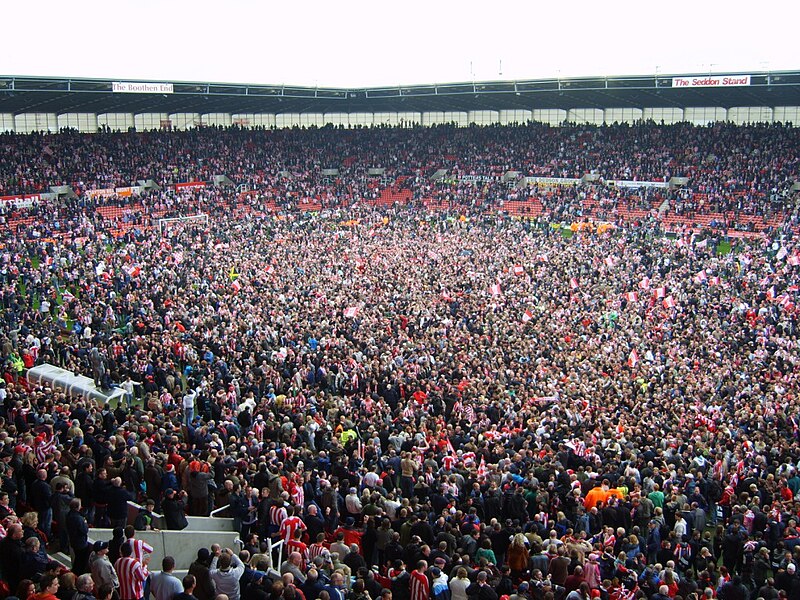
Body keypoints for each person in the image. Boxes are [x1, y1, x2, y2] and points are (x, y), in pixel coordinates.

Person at [66, 498, 91, 575]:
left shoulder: (69, 515)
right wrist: (85, 523)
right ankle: (78, 574)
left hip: (73, 541)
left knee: (78, 558)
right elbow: (84, 530)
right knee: (81, 560)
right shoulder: (79, 518)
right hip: (81, 543)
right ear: (77, 507)